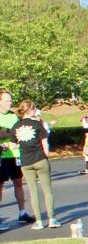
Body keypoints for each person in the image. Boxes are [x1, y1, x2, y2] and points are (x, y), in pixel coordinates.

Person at [0, 100, 59, 228]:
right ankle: (52, 218)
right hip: (38, 158)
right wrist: (46, 157)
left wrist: (6, 145)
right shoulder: (38, 124)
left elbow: (14, 143)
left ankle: (37, 220)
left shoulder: (16, 124)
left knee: (32, 191)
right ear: (31, 110)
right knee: (47, 190)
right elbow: (45, 142)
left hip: (25, 161)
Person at [0, 90, 34, 226]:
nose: (10, 103)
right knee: (0, 186)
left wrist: (7, 133)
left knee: (18, 182)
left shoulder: (13, 117)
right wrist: (10, 134)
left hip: (15, 155)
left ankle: (22, 212)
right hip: (2, 155)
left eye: (11, 100)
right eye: (7, 100)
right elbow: (6, 134)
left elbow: (19, 133)